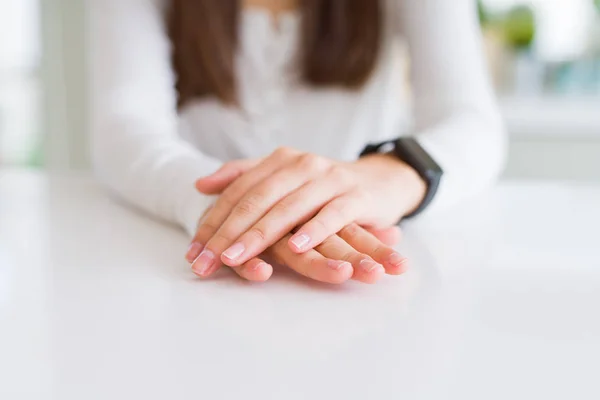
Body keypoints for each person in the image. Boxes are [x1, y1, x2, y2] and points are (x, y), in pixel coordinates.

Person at [89, 0, 506, 284]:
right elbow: (123, 127)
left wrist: (389, 177)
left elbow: (472, 122)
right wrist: (225, 205)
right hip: (208, 268)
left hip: (360, 248)